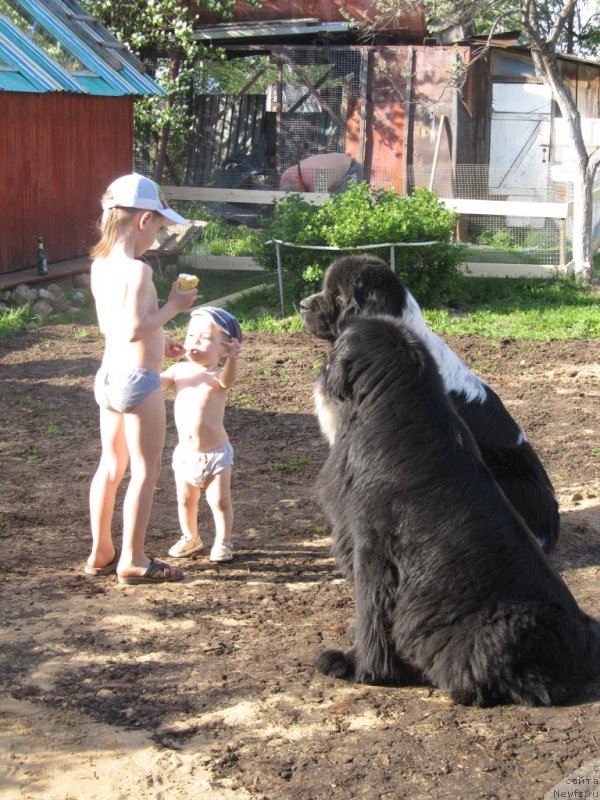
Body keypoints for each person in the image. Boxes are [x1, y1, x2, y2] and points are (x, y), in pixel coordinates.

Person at [85, 172, 198, 585]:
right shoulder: (138, 271)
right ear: (143, 220)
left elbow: (114, 327)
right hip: (139, 381)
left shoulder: (100, 264)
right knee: (145, 471)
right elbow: (135, 328)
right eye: (161, 226)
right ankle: (132, 558)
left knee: (110, 466)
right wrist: (175, 306)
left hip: (110, 375)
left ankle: (101, 550)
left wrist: (163, 338)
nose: (159, 235)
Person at [160, 307, 242, 563]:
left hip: (216, 454)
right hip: (186, 454)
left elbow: (228, 380)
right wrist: (155, 351)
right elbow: (154, 384)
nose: (194, 341)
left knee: (218, 500)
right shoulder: (178, 370)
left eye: (204, 338)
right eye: (191, 335)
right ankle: (190, 537)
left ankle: (223, 541)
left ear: (224, 349)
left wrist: (233, 361)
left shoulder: (217, 376)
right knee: (185, 499)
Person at [279, 153, 363, 193]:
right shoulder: (286, 175)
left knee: (344, 206)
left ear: (299, 182)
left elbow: (321, 204)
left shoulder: (317, 179)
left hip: (350, 170)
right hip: (339, 163)